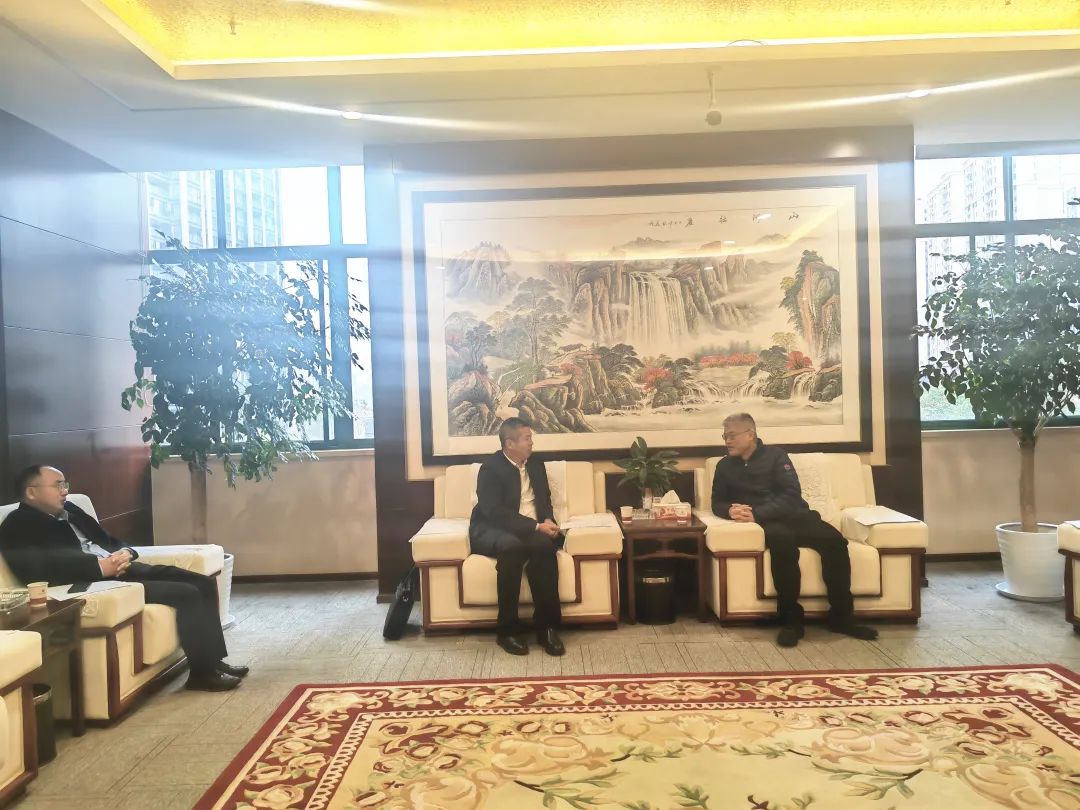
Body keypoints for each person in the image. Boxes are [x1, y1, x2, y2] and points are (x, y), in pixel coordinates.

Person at [0, 465, 249, 691]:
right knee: (187, 593)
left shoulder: (71, 510)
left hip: (121, 568)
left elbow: (107, 540)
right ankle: (202, 675)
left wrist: (126, 552)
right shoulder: (17, 526)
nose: (65, 491)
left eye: (65, 484)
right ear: (31, 492)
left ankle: (213, 661)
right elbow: (38, 570)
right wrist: (99, 568)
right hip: (93, 583)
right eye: (58, 485)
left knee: (202, 582)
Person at [711, 413, 878, 648]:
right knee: (783, 547)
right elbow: (717, 502)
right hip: (769, 524)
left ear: (750, 435)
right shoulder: (724, 466)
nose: (727, 441)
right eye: (724, 436)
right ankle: (791, 620)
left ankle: (842, 616)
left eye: (731, 436)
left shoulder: (776, 456)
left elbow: (791, 495)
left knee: (835, 542)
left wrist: (758, 513)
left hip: (795, 515)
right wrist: (730, 510)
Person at [470, 417, 565, 657]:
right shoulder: (490, 469)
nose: (532, 443)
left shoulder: (535, 464)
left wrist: (547, 520)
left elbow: (544, 499)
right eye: (527, 438)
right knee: (512, 548)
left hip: (530, 527)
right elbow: (494, 512)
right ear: (510, 443)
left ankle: (546, 627)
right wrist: (535, 526)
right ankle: (507, 630)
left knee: (545, 548)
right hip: (494, 528)